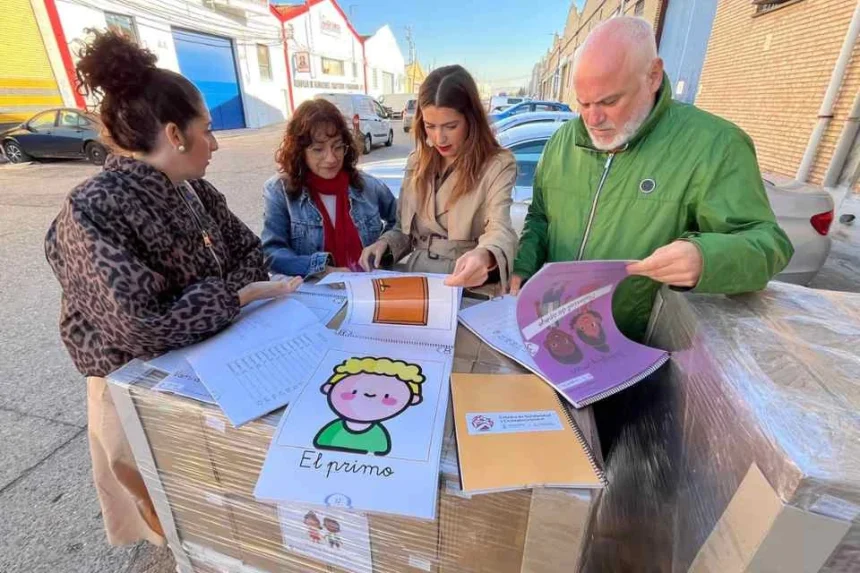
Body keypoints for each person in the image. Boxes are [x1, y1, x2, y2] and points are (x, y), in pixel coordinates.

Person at [44, 31, 300, 547]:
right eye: (207, 129)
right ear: (174, 134)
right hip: (136, 389)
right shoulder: (92, 207)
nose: (216, 142)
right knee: (159, 500)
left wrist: (213, 297)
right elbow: (143, 327)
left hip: (217, 359)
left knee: (212, 497)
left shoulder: (195, 190)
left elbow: (250, 253)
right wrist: (234, 298)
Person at [511, 17, 793, 342]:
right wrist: (524, 266)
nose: (593, 119)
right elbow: (541, 217)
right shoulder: (563, 141)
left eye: (609, 101)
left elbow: (770, 243)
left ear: (653, 76)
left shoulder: (714, 145)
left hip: (638, 349)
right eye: (584, 103)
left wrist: (705, 258)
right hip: (556, 335)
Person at [359, 65, 519, 290]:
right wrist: (384, 244)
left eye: (450, 126)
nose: (439, 138)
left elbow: (500, 228)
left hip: (467, 284)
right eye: (429, 126)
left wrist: (485, 256)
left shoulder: (497, 164)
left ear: (471, 120)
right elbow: (403, 229)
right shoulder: (417, 162)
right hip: (417, 280)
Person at [262, 99, 397, 276]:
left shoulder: (367, 186)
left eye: (337, 147)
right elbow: (271, 253)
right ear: (299, 151)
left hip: (367, 289)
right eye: (318, 150)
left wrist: (385, 243)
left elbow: (403, 222)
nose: (331, 158)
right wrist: (317, 268)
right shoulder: (279, 191)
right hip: (314, 295)